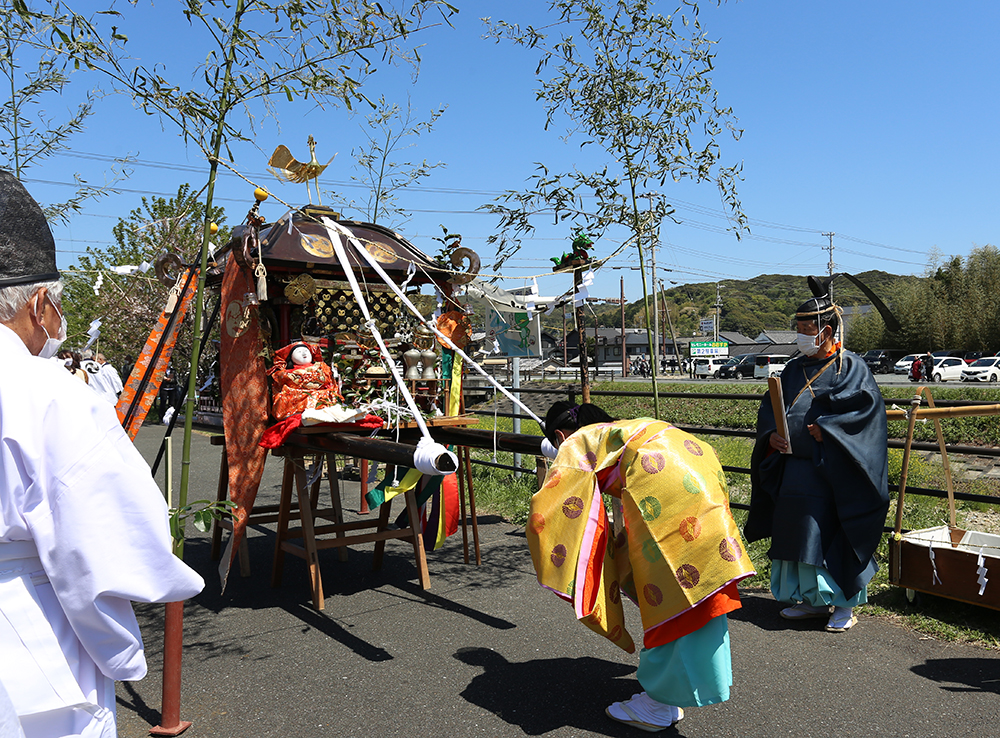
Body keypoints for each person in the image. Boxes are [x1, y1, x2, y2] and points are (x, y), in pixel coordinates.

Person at [0, 170, 204, 738]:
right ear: (40, 303)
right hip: (26, 634)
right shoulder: (46, 391)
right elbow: (110, 540)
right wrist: (119, 648)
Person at [528, 401, 755, 732]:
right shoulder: (623, 427)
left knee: (668, 591)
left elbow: (550, 507)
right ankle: (674, 694)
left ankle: (659, 702)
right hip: (699, 472)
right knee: (699, 584)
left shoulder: (577, 442)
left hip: (665, 489)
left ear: (561, 435)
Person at [745, 278, 889, 634]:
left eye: (806, 329)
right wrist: (772, 437)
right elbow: (771, 410)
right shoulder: (794, 368)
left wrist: (831, 429)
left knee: (832, 534)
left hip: (834, 470)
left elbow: (868, 412)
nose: (800, 336)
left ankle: (843, 604)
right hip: (794, 467)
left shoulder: (850, 367)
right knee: (798, 534)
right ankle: (809, 600)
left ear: (826, 330)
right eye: (798, 329)